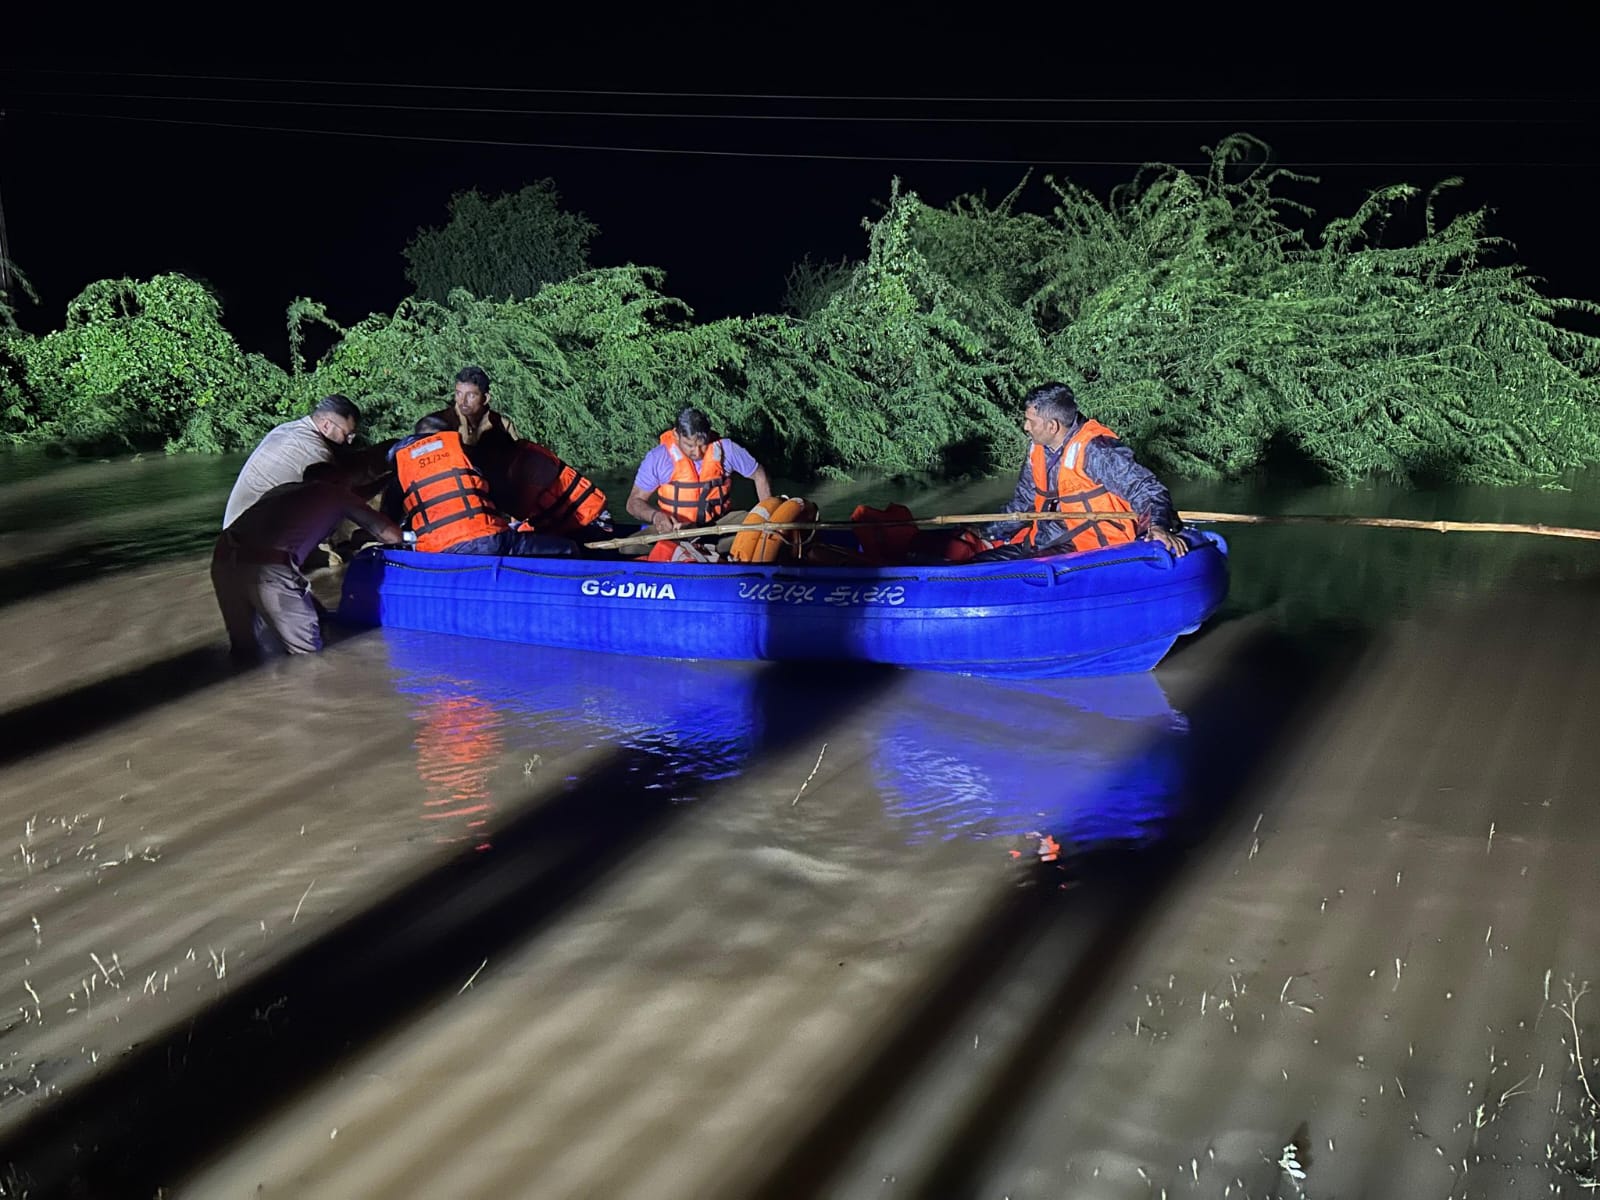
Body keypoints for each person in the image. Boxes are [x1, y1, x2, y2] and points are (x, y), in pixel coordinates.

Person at [212, 460, 404, 659]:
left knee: (244, 652)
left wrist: (387, 479)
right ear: (340, 480)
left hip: (224, 558)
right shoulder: (336, 493)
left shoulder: (283, 490)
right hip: (268, 567)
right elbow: (391, 536)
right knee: (307, 657)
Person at [982, 381, 1189, 558]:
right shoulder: (1037, 449)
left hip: (1088, 550)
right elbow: (1024, 502)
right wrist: (987, 533)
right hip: (1045, 540)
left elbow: (1147, 489)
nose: (1025, 427)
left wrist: (1157, 526)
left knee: (1006, 569)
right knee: (978, 562)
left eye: (1030, 421)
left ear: (1052, 426)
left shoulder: (1096, 451)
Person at [390, 415, 575, 556]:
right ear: (446, 436)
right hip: (490, 541)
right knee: (567, 548)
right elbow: (503, 499)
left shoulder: (402, 468)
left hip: (436, 553)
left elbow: (390, 521)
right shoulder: (464, 454)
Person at [625, 408, 771, 559]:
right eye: (689, 445)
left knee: (755, 525)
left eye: (703, 445)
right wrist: (656, 516)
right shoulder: (658, 457)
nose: (697, 452)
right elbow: (633, 503)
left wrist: (767, 516)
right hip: (674, 530)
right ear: (676, 435)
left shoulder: (726, 449)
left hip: (718, 525)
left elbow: (759, 475)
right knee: (628, 548)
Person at [222, 394, 367, 528]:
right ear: (327, 425)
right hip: (252, 537)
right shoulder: (315, 450)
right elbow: (340, 499)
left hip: (233, 528)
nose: (348, 442)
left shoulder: (286, 428)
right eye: (347, 434)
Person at [495, 439, 613, 541]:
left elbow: (520, 511)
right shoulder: (514, 465)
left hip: (592, 524)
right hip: (569, 525)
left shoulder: (531, 461)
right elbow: (517, 518)